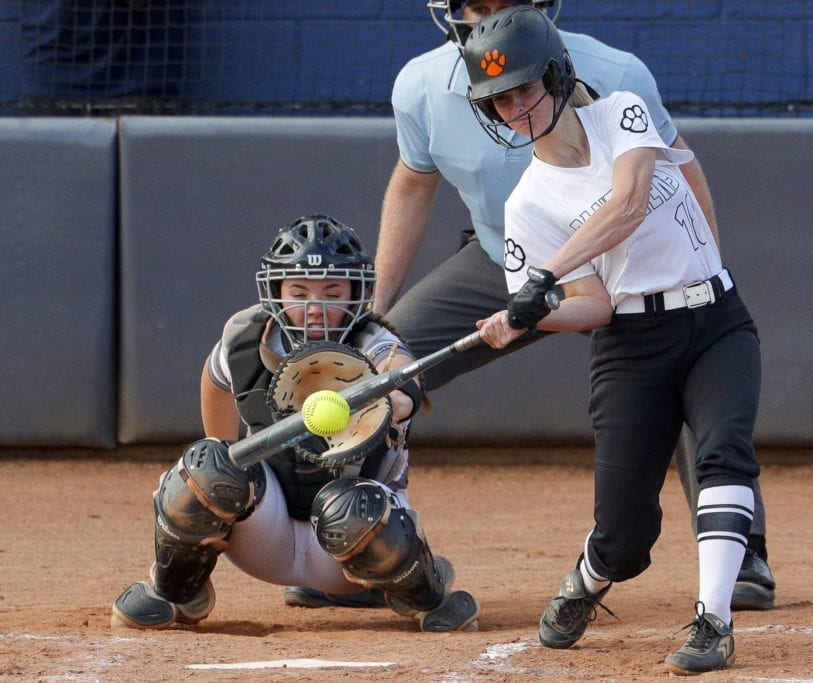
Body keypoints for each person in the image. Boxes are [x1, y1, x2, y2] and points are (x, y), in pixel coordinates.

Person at [324, 0, 771, 615]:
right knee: (381, 363)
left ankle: (740, 552)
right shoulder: (422, 87)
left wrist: (701, 277)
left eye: (501, 5)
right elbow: (412, 184)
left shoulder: (617, 75)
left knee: (693, 374)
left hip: (634, 266)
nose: (485, 16)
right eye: (475, 6)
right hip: (501, 259)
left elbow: (678, 179)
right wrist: (376, 311)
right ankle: (361, 553)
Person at [464, 7, 762, 673]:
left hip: (716, 318)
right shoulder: (527, 206)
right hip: (632, 345)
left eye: (523, 88)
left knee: (724, 454)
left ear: (558, 75)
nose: (514, 108)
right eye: (499, 99)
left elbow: (628, 202)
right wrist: (534, 314)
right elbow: (593, 307)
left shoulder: (621, 113)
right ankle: (591, 574)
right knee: (626, 535)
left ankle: (714, 620)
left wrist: (545, 273)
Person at [110, 215, 480, 633]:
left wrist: (393, 398)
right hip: (264, 533)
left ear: (357, 293)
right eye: (299, 292)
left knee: (351, 508)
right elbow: (215, 380)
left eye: (333, 292)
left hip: (349, 549)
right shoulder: (245, 338)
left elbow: (403, 372)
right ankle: (176, 592)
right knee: (206, 465)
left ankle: (423, 594)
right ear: (276, 291)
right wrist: (217, 471)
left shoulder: (375, 342)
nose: (316, 307)